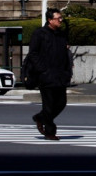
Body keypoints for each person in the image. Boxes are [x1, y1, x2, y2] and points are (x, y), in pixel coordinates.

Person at [29, 8, 72, 141]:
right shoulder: (40, 34)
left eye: (61, 18)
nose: (60, 20)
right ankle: (50, 132)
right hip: (46, 75)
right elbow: (33, 53)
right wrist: (42, 69)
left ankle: (40, 118)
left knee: (61, 103)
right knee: (48, 104)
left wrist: (67, 70)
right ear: (50, 20)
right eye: (58, 18)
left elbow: (65, 53)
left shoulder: (61, 34)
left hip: (60, 74)